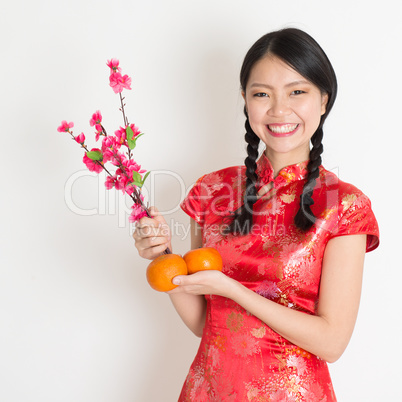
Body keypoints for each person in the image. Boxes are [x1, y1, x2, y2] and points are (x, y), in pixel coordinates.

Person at [133, 28, 379, 401]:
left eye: (297, 92)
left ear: (324, 100)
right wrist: (163, 257)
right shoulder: (212, 191)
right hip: (210, 388)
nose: (279, 110)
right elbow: (206, 323)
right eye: (262, 94)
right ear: (245, 100)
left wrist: (233, 289)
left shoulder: (344, 206)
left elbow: (332, 342)